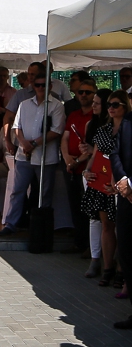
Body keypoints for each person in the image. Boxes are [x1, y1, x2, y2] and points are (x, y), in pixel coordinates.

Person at [0, 70, 65, 236]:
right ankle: (12, 224)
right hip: (23, 155)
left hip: (45, 157)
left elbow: (56, 131)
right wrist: (24, 143)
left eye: (43, 85)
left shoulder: (57, 105)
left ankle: (40, 228)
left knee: (44, 194)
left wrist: (33, 143)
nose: (40, 88)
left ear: (50, 86)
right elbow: (16, 126)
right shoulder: (24, 104)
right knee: (17, 190)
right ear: (33, 86)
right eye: (37, 85)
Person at [82, 90, 130, 286]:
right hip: (102, 184)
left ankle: (121, 271)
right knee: (106, 226)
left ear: (125, 106)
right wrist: (86, 171)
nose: (111, 108)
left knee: (122, 229)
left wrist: (118, 181)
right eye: (109, 104)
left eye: (115, 104)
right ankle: (107, 268)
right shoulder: (103, 130)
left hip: (123, 185)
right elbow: (95, 155)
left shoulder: (128, 129)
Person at [60, 77, 96, 254]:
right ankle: (79, 243)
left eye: (88, 92)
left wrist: (77, 161)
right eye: (80, 92)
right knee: (75, 207)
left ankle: (91, 246)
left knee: (89, 209)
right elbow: (65, 138)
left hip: (88, 169)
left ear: (94, 94)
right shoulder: (73, 115)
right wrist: (67, 158)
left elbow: (94, 148)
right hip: (72, 168)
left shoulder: (96, 118)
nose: (83, 95)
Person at [79, 89, 111, 279]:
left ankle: (109, 262)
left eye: (97, 103)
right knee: (95, 219)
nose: (93, 105)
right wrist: (85, 168)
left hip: (109, 176)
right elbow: (91, 153)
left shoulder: (115, 127)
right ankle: (95, 258)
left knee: (109, 221)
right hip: (92, 174)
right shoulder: (91, 125)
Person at [110, 105, 132, 328]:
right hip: (127, 198)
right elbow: (115, 153)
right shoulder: (127, 121)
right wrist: (124, 180)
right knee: (126, 251)